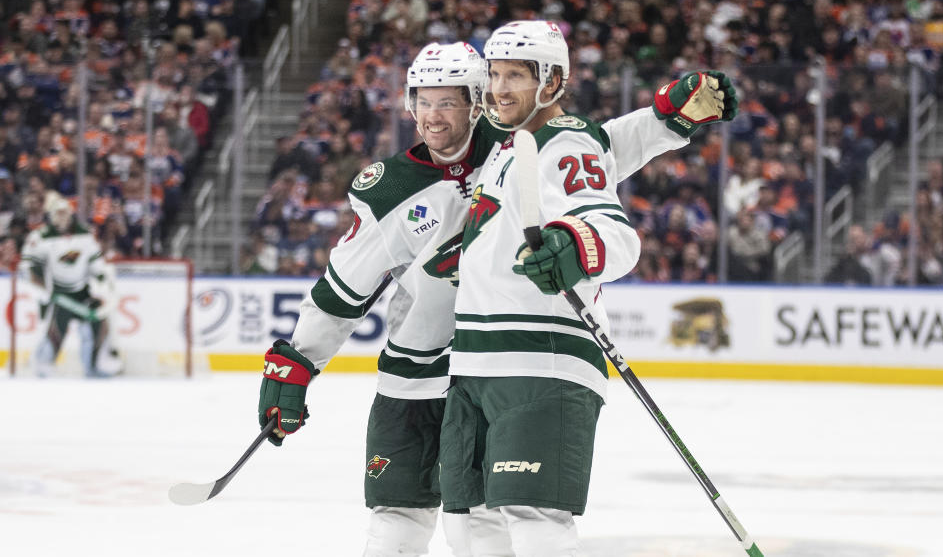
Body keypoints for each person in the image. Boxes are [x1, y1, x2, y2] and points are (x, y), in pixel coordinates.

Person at [255, 39, 735, 556]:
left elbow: (598, 148)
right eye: (422, 101)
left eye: (448, 101)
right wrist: (299, 361)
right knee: (398, 517)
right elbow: (341, 291)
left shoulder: (515, 140)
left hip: (491, 366)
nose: (432, 116)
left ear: (476, 101)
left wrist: (666, 119)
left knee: (492, 524)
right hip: (416, 373)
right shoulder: (390, 190)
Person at [439, 21, 736, 556]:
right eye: (495, 73)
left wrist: (575, 248)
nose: (499, 87)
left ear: (552, 83)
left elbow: (614, 233)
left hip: (541, 362)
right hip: (476, 367)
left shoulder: (563, 139)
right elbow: (610, 144)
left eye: (516, 76)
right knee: (469, 528)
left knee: (534, 523)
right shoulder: (516, 145)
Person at [19, 196, 116, 377]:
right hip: (58, 293)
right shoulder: (40, 237)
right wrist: (40, 290)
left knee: (98, 323)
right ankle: (43, 364)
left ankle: (94, 364)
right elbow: (29, 267)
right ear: (51, 215)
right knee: (57, 329)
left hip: (82, 292)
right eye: (58, 213)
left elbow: (95, 263)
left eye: (65, 212)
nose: (61, 217)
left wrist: (103, 279)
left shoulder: (85, 234)